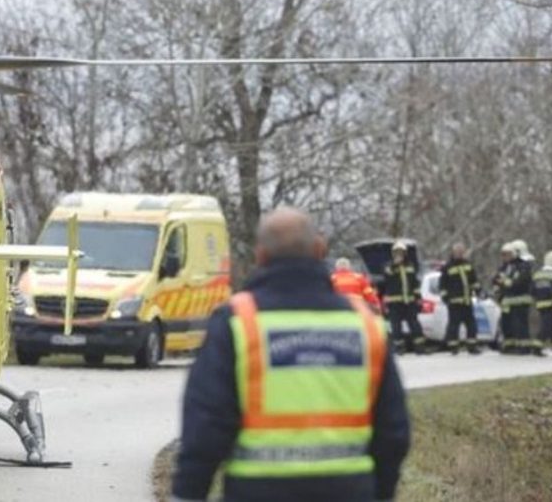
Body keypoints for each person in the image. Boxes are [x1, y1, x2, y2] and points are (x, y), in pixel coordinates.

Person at [173, 208, 410, 502]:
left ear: (260, 255)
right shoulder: (365, 325)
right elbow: (393, 430)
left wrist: (187, 493)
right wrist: (381, 492)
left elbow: (206, 425)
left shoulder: (237, 321)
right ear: (320, 250)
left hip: (256, 491)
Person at [382, 242, 425, 354]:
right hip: (394, 302)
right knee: (396, 326)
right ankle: (399, 348)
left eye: (401, 252)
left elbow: (414, 283)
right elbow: (387, 275)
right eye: (397, 252)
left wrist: (418, 297)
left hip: (410, 301)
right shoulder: (388, 265)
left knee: (415, 325)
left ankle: (420, 347)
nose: (399, 254)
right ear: (393, 253)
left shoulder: (410, 266)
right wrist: (395, 265)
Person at [438, 243, 481, 355]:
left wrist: (478, 290)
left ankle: (472, 346)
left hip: (467, 301)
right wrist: (445, 297)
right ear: (453, 253)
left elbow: (474, 281)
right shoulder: (448, 267)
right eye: (457, 252)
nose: (460, 254)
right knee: (454, 325)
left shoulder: (468, 265)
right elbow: (443, 284)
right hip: (454, 302)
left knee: (471, 324)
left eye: (461, 252)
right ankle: (453, 347)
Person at [504, 240, 535, 354]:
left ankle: (524, 347)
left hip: (521, 299)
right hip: (512, 300)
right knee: (512, 324)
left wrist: (509, 282)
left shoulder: (524, 265)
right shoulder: (512, 265)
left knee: (521, 324)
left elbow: (520, 280)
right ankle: (515, 346)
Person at [532, 250, 552, 356]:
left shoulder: (537, 274)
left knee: (550, 324)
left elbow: (532, 289)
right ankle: (537, 346)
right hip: (550, 304)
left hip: (539, 303)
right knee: (546, 326)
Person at [492, 243, 515, 353]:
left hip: (513, 298)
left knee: (513, 323)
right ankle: (507, 344)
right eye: (503, 255)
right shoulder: (502, 268)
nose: (505, 257)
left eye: (507, 255)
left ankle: (513, 344)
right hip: (504, 298)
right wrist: (496, 289)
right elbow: (496, 280)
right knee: (505, 323)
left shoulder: (515, 267)